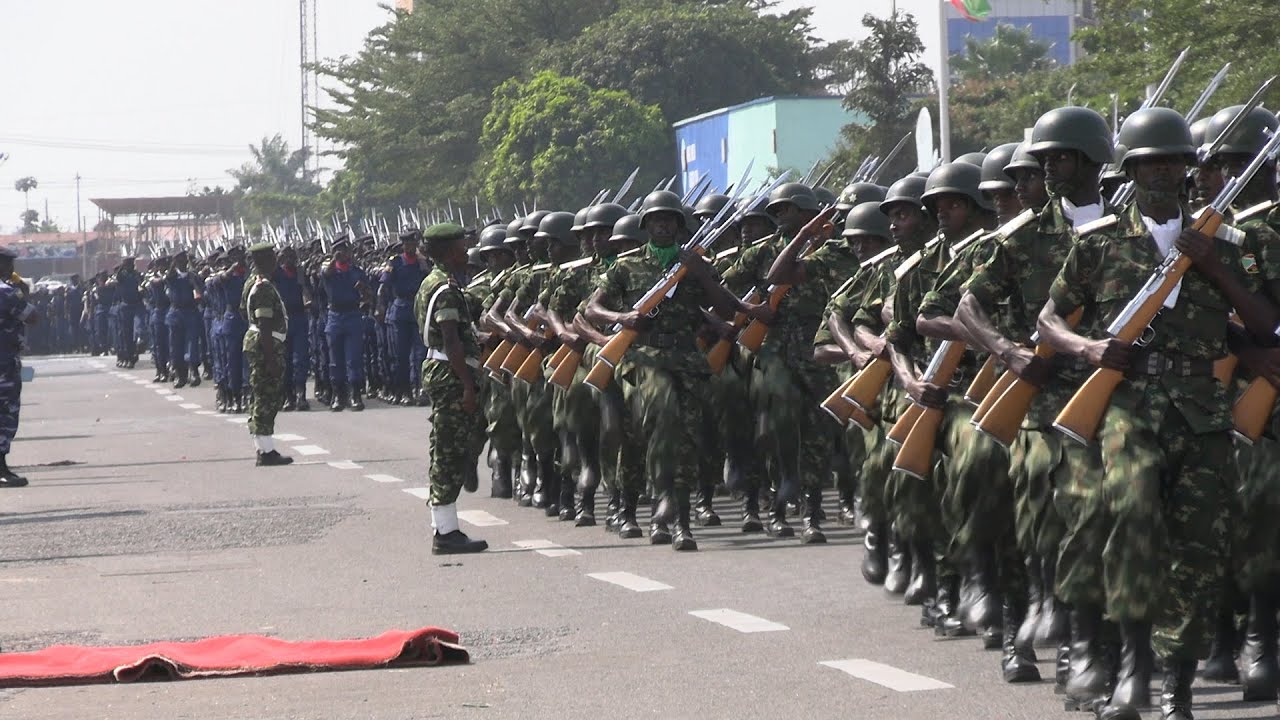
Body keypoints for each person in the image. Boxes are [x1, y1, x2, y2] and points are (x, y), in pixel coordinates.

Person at [1038, 106, 1276, 720]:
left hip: (1202, 412)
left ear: (1188, 172)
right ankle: (1131, 668)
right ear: (1132, 171)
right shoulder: (1100, 245)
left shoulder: (1230, 244)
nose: (1161, 174)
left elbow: (1261, 325)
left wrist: (1215, 266)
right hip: (1127, 407)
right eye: (1149, 164)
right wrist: (1087, 347)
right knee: (1134, 516)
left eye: (1172, 162)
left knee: (1197, 551)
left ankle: (1178, 689)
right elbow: (1047, 320)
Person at [415, 223, 488, 555]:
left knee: (448, 448)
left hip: (445, 371)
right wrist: (468, 387)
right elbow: (451, 340)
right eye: (461, 246)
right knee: (448, 451)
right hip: (450, 375)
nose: (467, 250)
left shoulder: (437, 282)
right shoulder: (444, 288)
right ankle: (445, 533)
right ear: (446, 251)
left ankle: (445, 527)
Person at [241, 242, 293, 467]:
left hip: (262, 342)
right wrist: (270, 358)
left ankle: (263, 448)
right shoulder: (262, 286)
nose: (276, 261)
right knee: (266, 397)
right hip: (265, 345)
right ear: (263, 260)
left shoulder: (252, 282)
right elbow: (263, 321)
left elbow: (243, 311)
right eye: (272, 257)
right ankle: (266, 451)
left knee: (263, 395)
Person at [0, 247, 38, 487]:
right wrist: (23, 293)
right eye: (8, 264)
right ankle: (1, 468)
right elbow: (32, 317)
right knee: (5, 413)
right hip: (3, 362)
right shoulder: (7, 293)